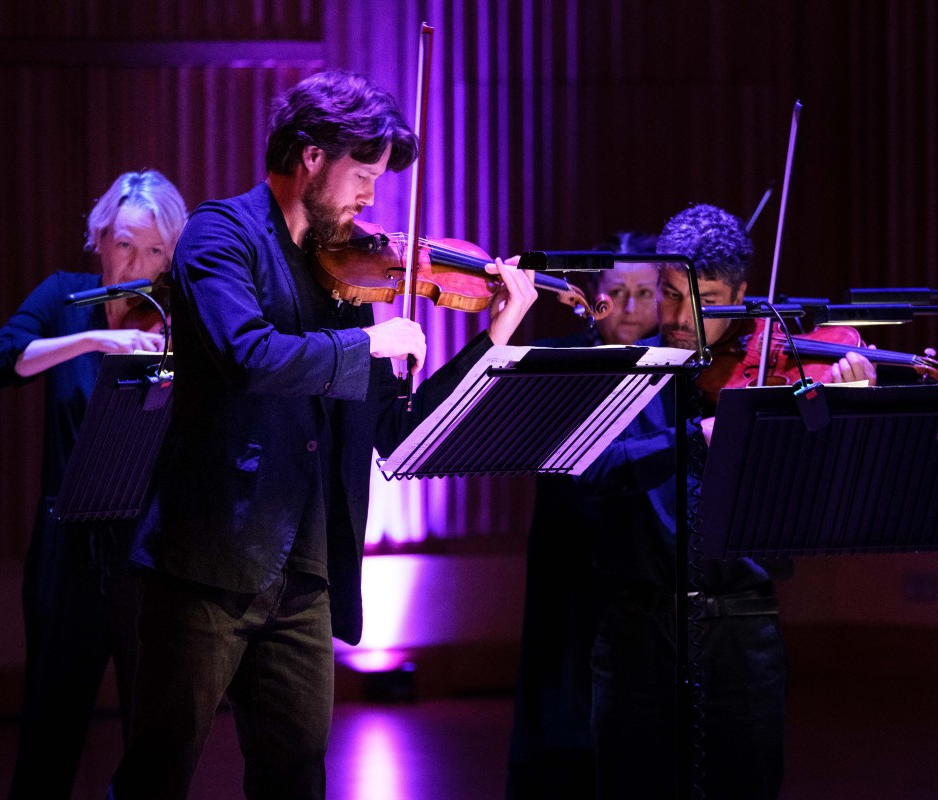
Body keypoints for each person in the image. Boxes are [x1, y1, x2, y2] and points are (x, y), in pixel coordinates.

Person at [107, 69, 537, 800]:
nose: (372, 197)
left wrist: (493, 337)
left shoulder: (343, 276)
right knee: (157, 775)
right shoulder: (221, 235)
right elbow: (248, 354)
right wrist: (369, 345)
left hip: (304, 575)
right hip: (206, 566)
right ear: (312, 156)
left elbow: (401, 434)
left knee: (298, 780)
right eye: (363, 174)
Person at [584, 204, 873, 799]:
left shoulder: (769, 366)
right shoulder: (623, 367)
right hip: (637, 631)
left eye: (706, 299)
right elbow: (595, 470)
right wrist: (697, 437)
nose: (682, 316)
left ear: (743, 294)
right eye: (670, 293)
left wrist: (844, 407)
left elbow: (825, 492)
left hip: (743, 627)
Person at [0, 170, 189, 799]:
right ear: (101, 238)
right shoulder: (66, 297)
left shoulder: (180, 310)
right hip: (67, 544)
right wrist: (96, 338)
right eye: (126, 244)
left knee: (152, 736)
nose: (139, 263)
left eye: (156, 251)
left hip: (149, 548)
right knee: (50, 729)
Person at [506, 231, 659, 800]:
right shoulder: (564, 360)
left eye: (647, 292)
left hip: (640, 563)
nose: (629, 306)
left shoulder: (674, 368)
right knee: (563, 706)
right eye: (617, 290)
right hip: (571, 559)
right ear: (595, 293)